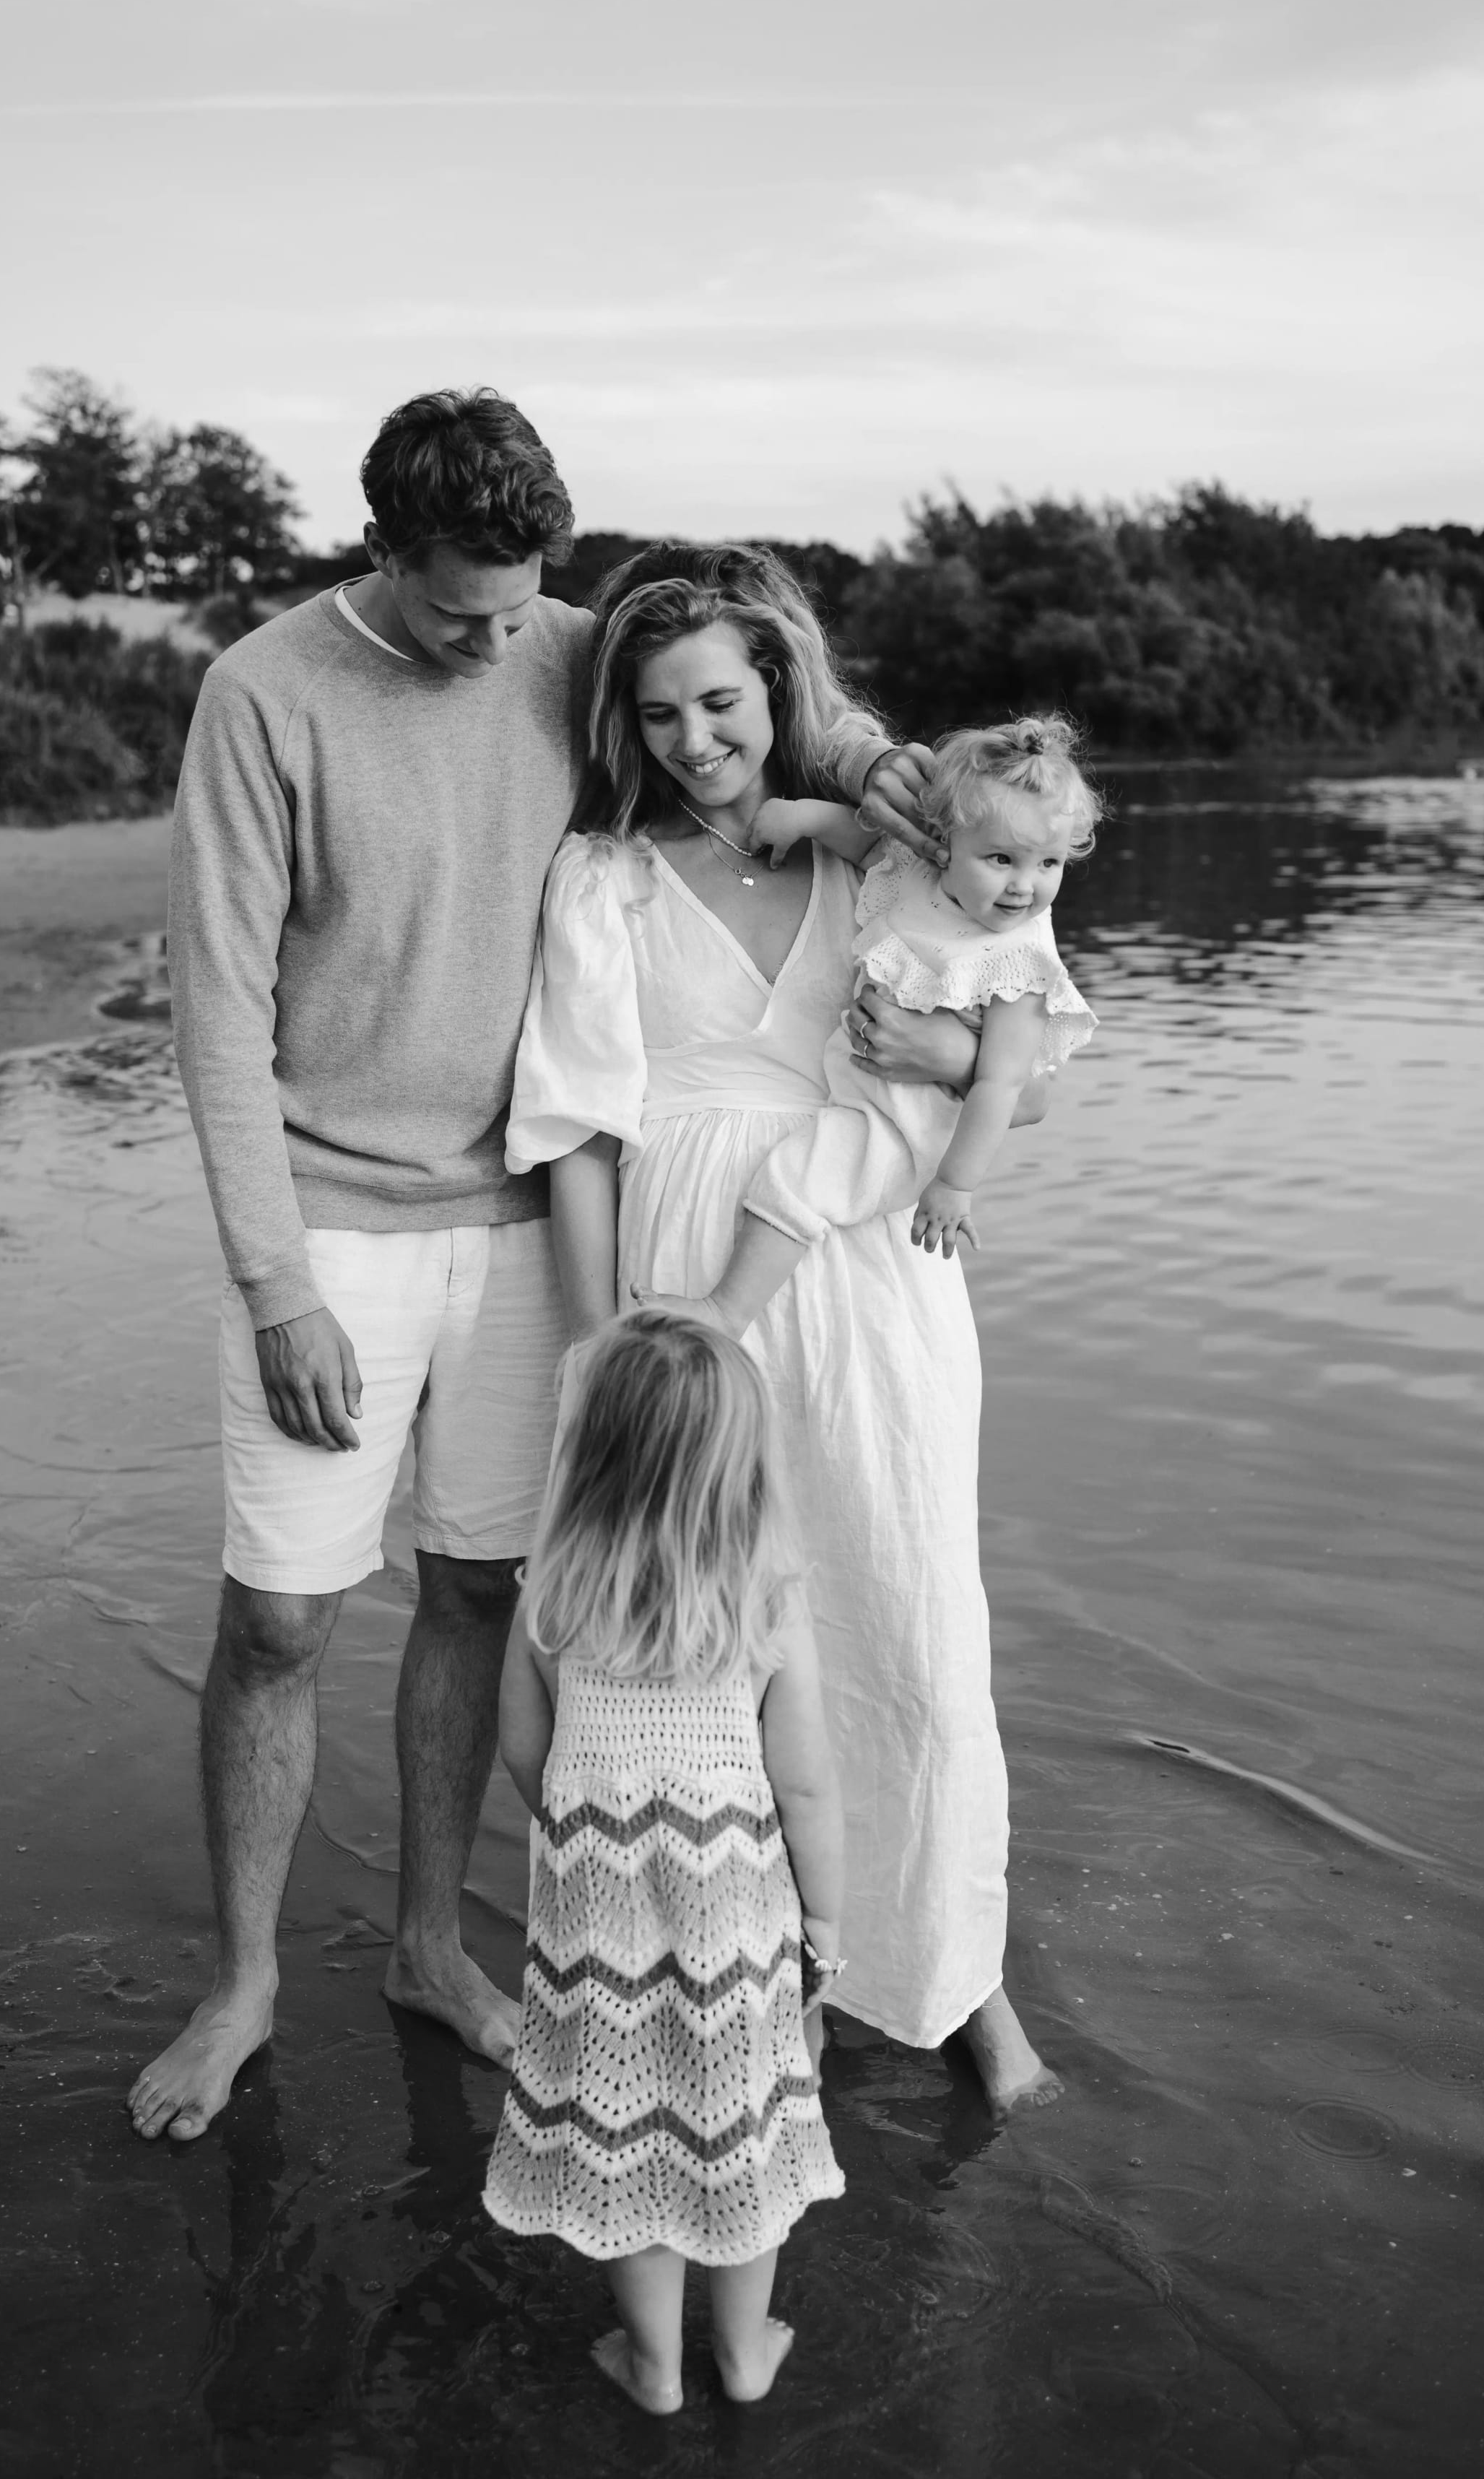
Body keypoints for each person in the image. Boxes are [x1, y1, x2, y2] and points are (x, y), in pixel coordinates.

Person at [127, 397, 934, 2143]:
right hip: (330, 1218)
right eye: (457, 612)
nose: (497, 643)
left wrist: (876, 767)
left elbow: (761, 693)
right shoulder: (263, 692)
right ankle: (244, 1982)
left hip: (513, 1214)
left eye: (517, 608)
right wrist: (274, 1283)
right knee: (277, 1615)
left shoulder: (567, 645)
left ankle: (428, 1945)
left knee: (480, 1592)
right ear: (383, 551)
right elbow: (215, 1007)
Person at [506, 552, 1062, 2114]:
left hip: (874, 1273)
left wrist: (940, 1052)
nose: (695, 741)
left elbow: (1024, 1069)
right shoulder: (604, 879)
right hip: (691, 1277)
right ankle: (778, 1981)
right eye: (658, 714)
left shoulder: (895, 856)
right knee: (722, 1646)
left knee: (912, 1621)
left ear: (777, 688)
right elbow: (575, 1132)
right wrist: (602, 1353)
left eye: (721, 703)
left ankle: (956, 1976)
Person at [485, 1311, 844, 2415]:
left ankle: (654, 2368)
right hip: (735, 1939)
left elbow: (523, 1749)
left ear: (593, 1450)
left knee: (624, 2136)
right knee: (738, 2138)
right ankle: (742, 2356)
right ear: (743, 1463)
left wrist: (581, 1838)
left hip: (597, 1936)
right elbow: (807, 1788)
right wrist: (826, 1924)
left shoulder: (554, 1591)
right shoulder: (766, 1601)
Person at [654, 714, 1099, 1334]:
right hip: (864, 1093)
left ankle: (726, 1311)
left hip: (907, 1128)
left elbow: (1002, 1086)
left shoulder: (1019, 964)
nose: (1025, 887)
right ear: (944, 842)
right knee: (801, 1177)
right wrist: (803, 817)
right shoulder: (920, 875)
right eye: (1002, 859)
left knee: (794, 1181)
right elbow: (864, 844)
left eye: (1048, 863)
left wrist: (955, 1185)